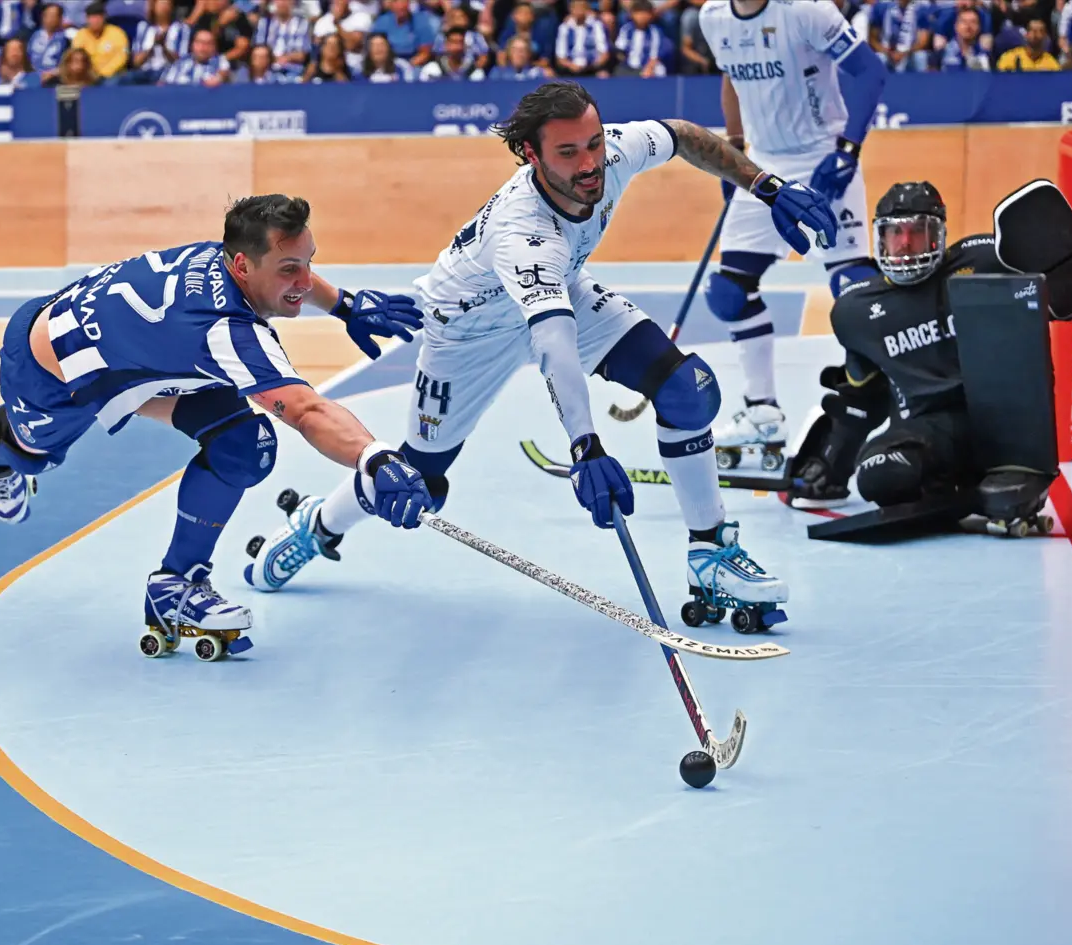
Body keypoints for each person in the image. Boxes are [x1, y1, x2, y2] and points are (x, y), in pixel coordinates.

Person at [249, 81, 839, 629]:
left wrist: (767, 187)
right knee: (419, 481)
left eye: (593, 143)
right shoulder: (523, 231)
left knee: (689, 389)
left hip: (563, 288)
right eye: (567, 153)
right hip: (466, 334)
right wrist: (585, 443)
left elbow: (684, 134)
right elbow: (552, 340)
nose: (588, 165)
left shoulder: (608, 156)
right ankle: (317, 525)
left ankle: (711, 553)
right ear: (532, 156)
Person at [0, 195, 430, 657]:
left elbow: (288, 280)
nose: (303, 280)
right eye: (289, 268)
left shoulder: (221, 255)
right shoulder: (226, 331)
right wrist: (375, 458)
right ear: (242, 265)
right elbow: (305, 411)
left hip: (136, 365)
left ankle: (175, 584)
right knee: (28, 454)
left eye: (309, 262)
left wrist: (345, 305)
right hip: (52, 375)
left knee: (244, 444)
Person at [786, 180, 1054, 530]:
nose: (906, 244)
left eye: (917, 231)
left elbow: (1057, 285)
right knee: (877, 476)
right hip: (928, 431)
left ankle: (988, 486)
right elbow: (862, 398)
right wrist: (832, 462)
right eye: (895, 233)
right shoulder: (855, 311)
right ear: (880, 239)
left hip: (1005, 423)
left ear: (939, 235)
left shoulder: (988, 259)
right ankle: (976, 494)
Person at [697, 0, 887, 474]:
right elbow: (731, 80)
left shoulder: (807, 11)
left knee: (853, 290)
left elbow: (870, 72)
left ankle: (869, 409)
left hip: (822, 154)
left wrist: (848, 149)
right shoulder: (712, 17)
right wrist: (734, 149)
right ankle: (762, 412)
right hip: (762, 167)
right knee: (728, 293)